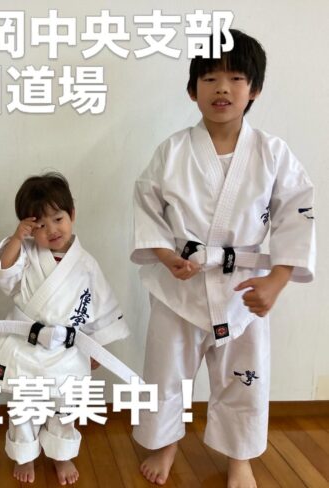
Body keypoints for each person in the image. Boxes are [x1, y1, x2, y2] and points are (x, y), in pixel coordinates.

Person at [131, 30, 315, 488]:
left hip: (243, 291)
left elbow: (296, 214)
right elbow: (147, 207)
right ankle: (166, 442)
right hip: (179, 286)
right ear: (192, 90)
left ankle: (239, 457)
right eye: (210, 78)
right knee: (165, 373)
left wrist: (277, 279)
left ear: (255, 89)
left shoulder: (273, 154)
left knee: (243, 377)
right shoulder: (172, 151)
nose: (223, 89)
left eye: (236, 78)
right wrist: (164, 255)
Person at [0, 172, 129, 485]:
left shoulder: (86, 264)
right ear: (28, 228)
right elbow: (2, 271)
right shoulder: (25, 254)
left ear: (72, 214)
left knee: (66, 406)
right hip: (28, 345)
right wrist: (16, 239)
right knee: (24, 407)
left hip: (67, 350)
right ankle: (25, 456)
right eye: (39, 225)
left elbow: (101, 307)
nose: (51, 230)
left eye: (58, 219)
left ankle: (61, 454)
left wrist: (98, 348)